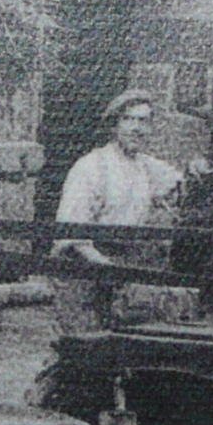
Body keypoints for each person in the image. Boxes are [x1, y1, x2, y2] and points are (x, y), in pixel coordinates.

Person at [51, 90, 193, 328]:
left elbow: (181, 181)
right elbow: (72, 234)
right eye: (128, 119)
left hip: (122, 266)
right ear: (114, 125)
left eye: (143, 121)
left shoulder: (146, 166)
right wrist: (109, 269)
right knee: (84, 346)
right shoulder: (91, 167)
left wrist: (195, 167)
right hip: (84, 269)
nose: (136, 128)